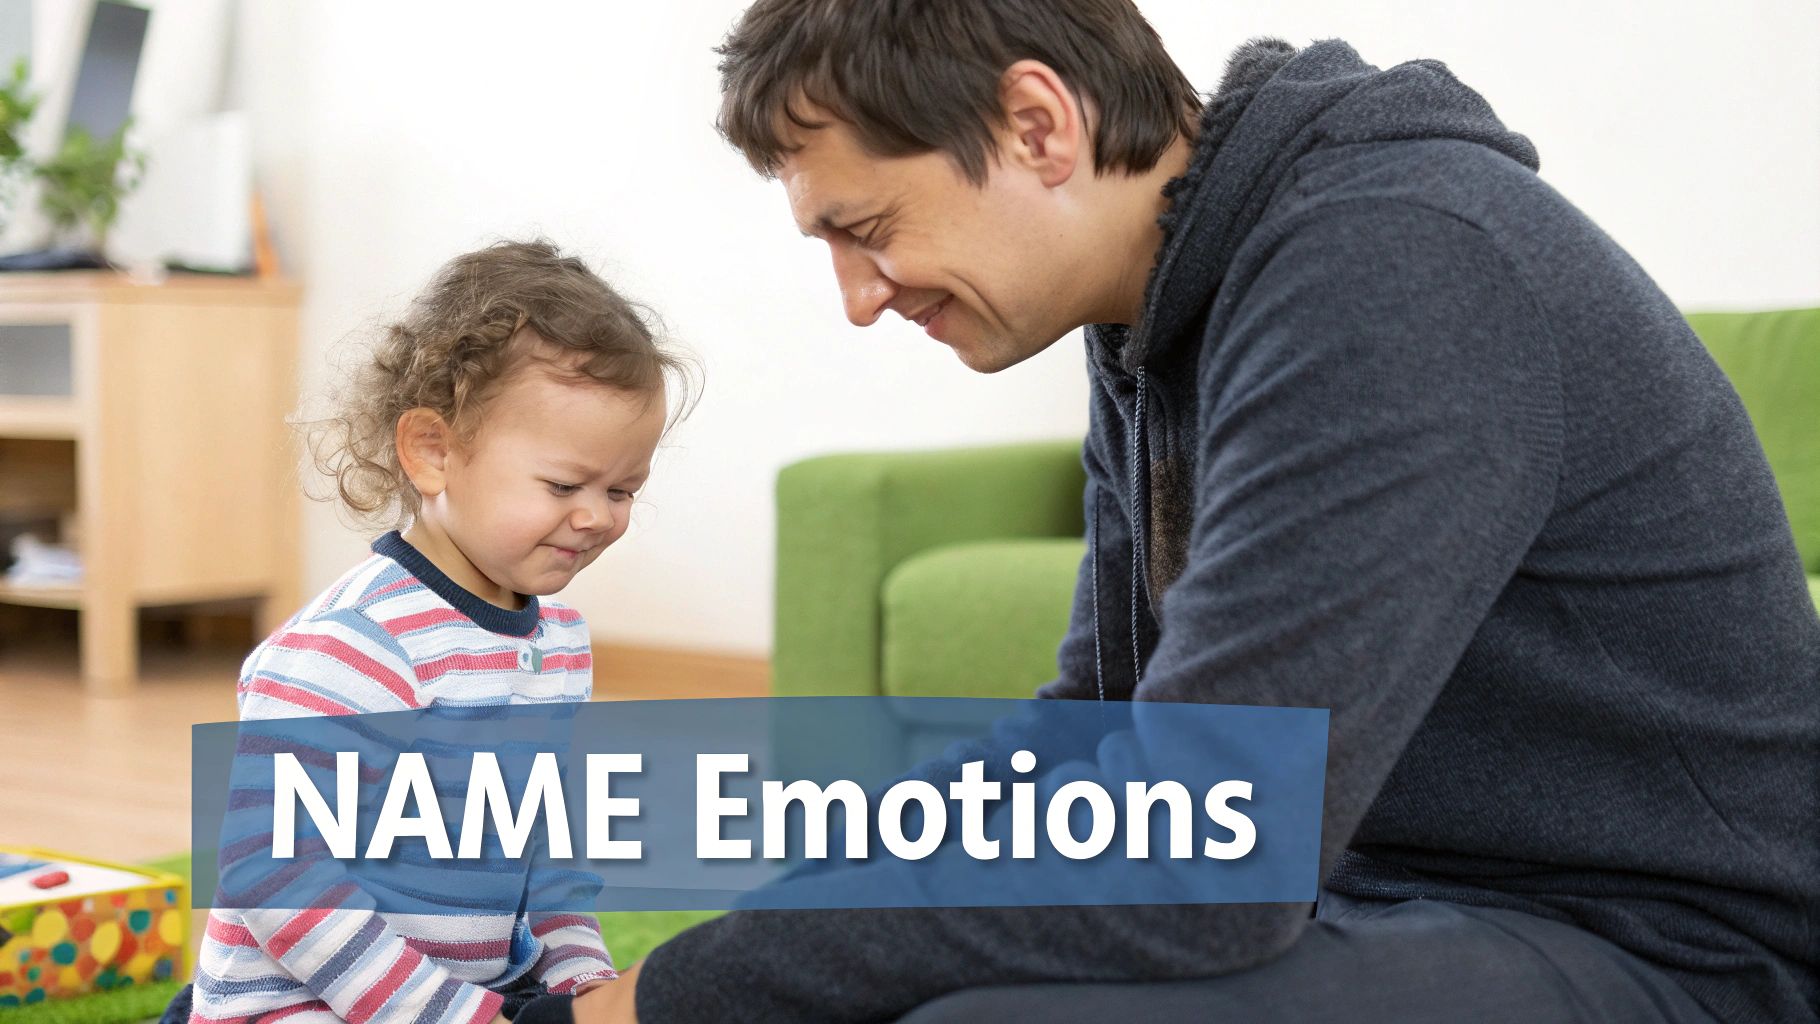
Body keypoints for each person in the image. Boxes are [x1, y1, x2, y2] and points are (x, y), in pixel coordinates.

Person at [572, 2, 1820, 1022]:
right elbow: (1090, 730)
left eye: (868, 228)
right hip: (1382, 893)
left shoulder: (1394, 266)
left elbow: (1203, 863)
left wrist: (683, 999)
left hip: (1670, 950)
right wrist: (748, 942)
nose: (855, 295)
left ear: (1033, 124)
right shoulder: (1154, 318)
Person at [170, 240, 688, 1024]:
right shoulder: (354, 648)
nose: (596, 516)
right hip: (297, 1003)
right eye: (563, 484)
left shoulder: (557, 647)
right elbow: (272, 874)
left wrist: (582, 977)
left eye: (622, 489)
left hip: (457, 990)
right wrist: (443, 1013)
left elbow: (541, 844)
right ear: (433, 452)